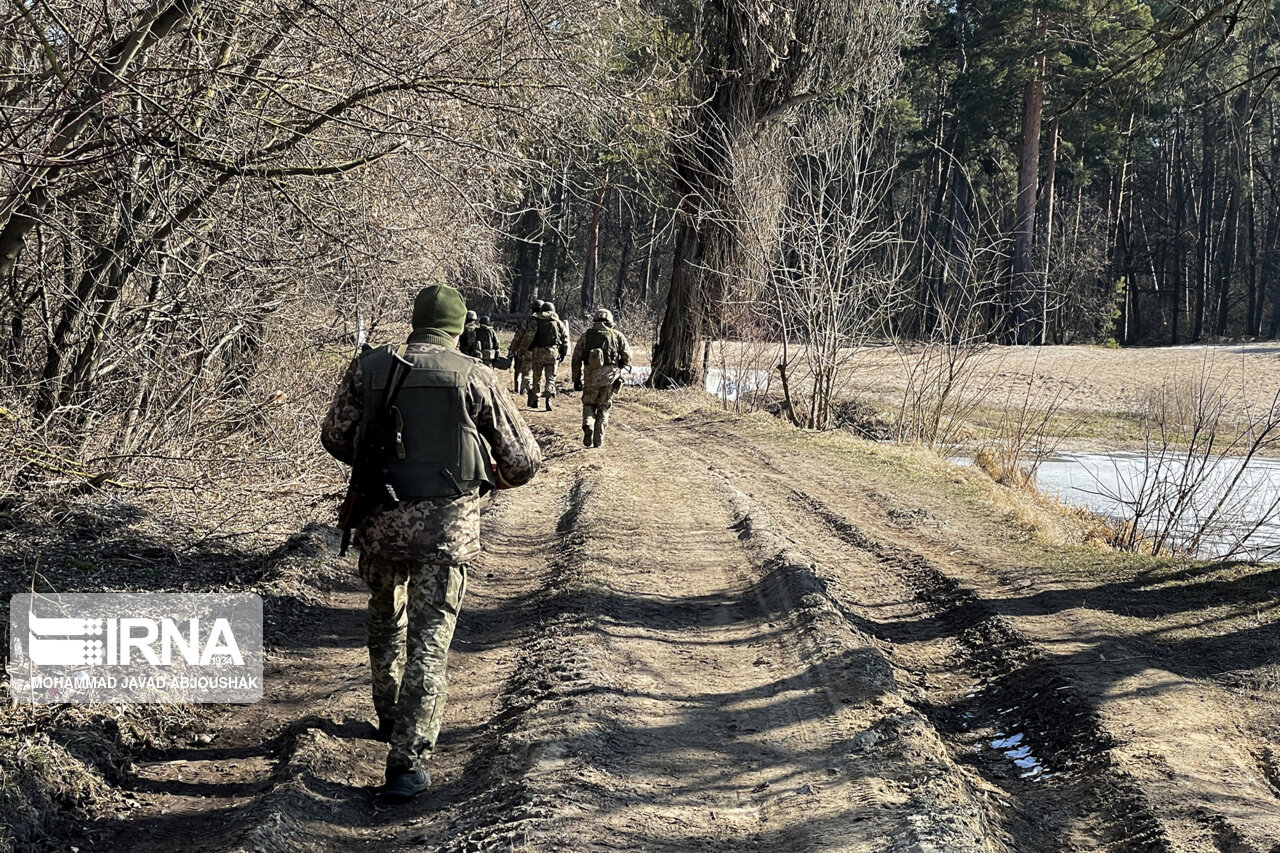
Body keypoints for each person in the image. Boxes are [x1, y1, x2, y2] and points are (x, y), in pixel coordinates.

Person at [320, 284, 541, 804]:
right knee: (429, 644)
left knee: (384, 620)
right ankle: (407, 762)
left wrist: (380, 459)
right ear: (459, 327)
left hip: (379, 523)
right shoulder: (473, 376)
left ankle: (389, 713)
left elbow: (334, 436)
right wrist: (484, 479)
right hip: (446, 533)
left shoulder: (370, 367)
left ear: (415, 320)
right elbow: (523, 461)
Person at [571, 308, 632, 447]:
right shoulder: (617, 335)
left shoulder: (585, 336)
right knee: (604, 407)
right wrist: (621, 365)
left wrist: (576, 379)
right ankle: (598, 440)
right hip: (609, 378)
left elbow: (576, 359)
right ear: (610, 321)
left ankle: (588, 424)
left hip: (590, 378)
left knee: (588, 404)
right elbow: (628, 357)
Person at [524, 301, 568, 411]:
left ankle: (536, 399)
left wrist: (525, 349)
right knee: (550, 378)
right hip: (552, 353)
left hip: (538, 353)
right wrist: (563, 353)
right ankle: (549, 398)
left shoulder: (536, 321)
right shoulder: (558, 322)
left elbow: (529, 337)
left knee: (536, 377)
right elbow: (565, 339)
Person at [509, 301, 540, 394]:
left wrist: (513, 349)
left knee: (526, 371)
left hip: (528, 350)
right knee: (538, 374)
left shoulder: (528, 321)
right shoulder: (549, 322)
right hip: (544, 351)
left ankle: (523, 390)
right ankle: (536, 391)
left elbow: (518, 337)